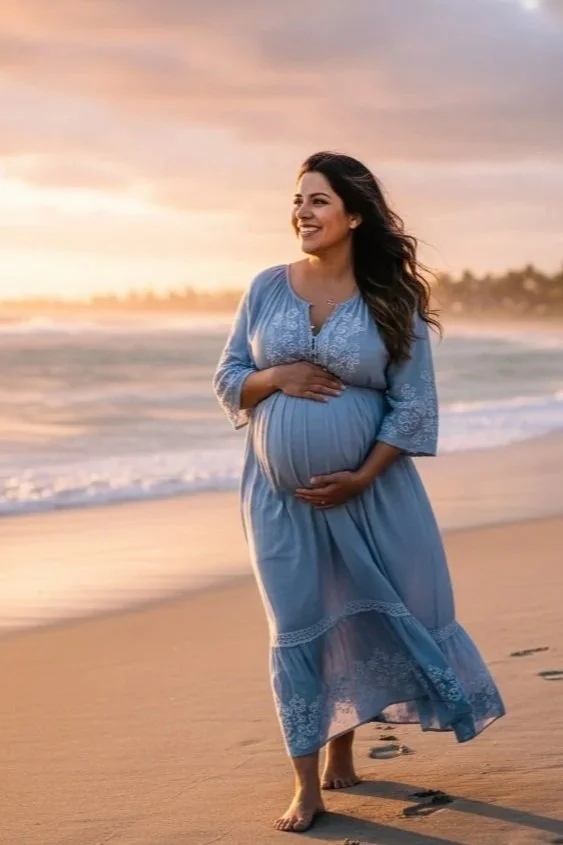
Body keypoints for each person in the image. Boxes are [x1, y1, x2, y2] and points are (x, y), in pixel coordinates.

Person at [212, 151, 505, 833]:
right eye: (297, 200)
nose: (302, 212)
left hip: (369, 493)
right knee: (295, 624)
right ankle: (305, 786)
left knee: (356, 613)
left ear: (354, 216)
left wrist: (362, 475)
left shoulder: (390, 299)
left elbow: (413, 403)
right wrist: (276, 376)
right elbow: (228, 377)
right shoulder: (265, 287)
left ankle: (343, 741)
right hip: (278, 498)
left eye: (318, 200)